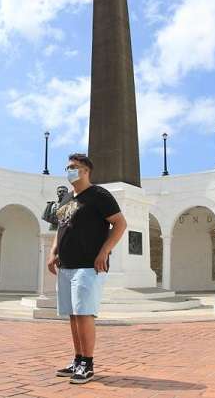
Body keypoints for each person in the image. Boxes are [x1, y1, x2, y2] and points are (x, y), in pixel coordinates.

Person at [46, 153, 127, 384]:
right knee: (73, 315)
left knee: (83, 314)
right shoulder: (66, 199)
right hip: (66, 265)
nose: (69, 170)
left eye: (74, 167)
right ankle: (78, 359)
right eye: (68, 166)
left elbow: (120, 223)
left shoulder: (99, 195)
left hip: (89, 265)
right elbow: (60, 228)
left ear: (86, 171)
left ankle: (88, 364)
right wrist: (53, 252)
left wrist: (104, 251)